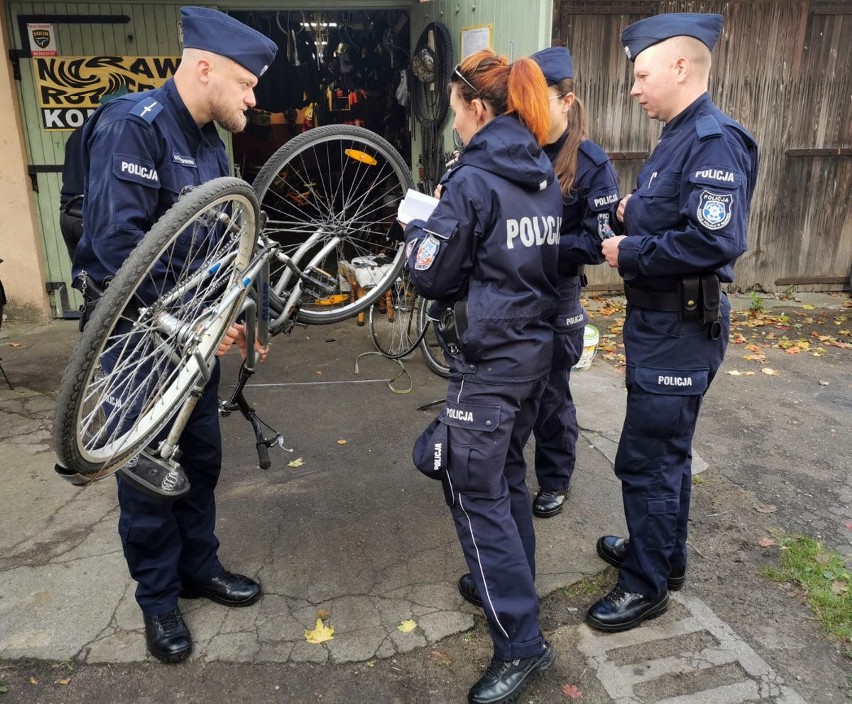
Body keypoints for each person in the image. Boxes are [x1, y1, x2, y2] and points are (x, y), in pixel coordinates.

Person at [70, 6, 277, 663]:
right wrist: (195, 321)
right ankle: (159, 605)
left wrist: (247, 313)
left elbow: (230, 236)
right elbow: (114, 252)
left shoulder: (212, 140)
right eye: (246, 83)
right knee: (147, 478)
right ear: (205, 67)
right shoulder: (137, 128)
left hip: (192, 342)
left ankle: (199, 568)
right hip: (135, 344)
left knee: (202, 459)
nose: (253, 96)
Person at [586, 12, 759, 633]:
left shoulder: (712, 138)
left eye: (641, 74)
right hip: (662, 329)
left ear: (681, 68)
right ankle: (663, 556)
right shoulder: (679, 137)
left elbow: (716, 242)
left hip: (680, 330)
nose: (633, 88)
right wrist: (638, 210)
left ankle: (645, 585)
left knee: (647, 458)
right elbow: (678, 216)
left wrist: (627, 251)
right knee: (667, 454)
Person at [406, 49, 561, 704]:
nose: (454, 127)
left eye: (453, 113)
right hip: (531, 357)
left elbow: (430, 273)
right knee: (506, 479)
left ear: (477, 109)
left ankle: (520, 644)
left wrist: (422, 229)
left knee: (474, 493)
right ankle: (509, 585)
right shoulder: (540, 171)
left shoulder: (470, 180)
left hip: (491, 365)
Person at [527, 46, 622, 519]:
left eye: (536, 97)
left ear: (566, 100)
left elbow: (601, 241)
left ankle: (554, 478)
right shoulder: (513, 147)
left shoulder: (591, 164)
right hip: (512, 290)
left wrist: (537, 243)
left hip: (558, 289)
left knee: (551, 391)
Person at [59, 86, 129, 260]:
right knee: (113, 282)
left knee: (85, 280)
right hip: (90, 218)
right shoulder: (109, 132)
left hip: (68, 215)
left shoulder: (78, 133)